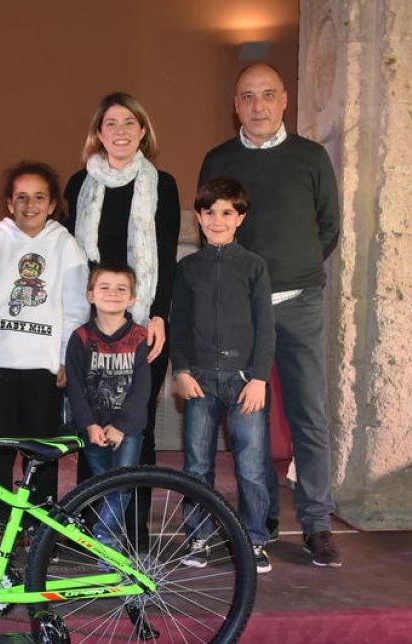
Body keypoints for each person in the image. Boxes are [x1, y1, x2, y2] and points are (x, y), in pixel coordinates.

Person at [198, 63, 342, 568]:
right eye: (246, 97)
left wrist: (291, 271)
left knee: (310, 417)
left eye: (266, 95)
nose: (257, 105)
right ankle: (258, 523)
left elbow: (329, 228)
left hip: (300, 303)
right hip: (241, 312)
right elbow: (210, 226)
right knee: (248, 421)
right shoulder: (219, 158)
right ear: (235, 105)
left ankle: (318, 524)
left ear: (284, 100)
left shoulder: (311, 157)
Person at [64, 92, 180, 535]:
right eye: (111, 123)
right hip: (94, 325)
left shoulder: (161, 184)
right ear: (98, 132)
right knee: (92, 428)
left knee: (136, 427)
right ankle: (89, 530)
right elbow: (76, 259)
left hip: (142, 320)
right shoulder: (79, 185)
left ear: (143, 131)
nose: (121, 131)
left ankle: (134, 532)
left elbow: (166, 256)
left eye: (130, 123)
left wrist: (159, 316)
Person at [0, 162, 89, 533]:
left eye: (39, 197)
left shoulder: (66, 246)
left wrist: (68, 357)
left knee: (42, 458)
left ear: (52, 204)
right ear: (8, 203)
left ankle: (40, 529)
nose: (30, 205)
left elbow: (76, 309)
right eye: (21, 197)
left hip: (43, 371)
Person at [170, 177, 275, 573]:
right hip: (198, 380)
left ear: (240, 218)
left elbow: (266, 327)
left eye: (226, 212)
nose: (217, 219)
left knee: (250, 463)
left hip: (245, 380)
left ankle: (254, 537)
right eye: (209, 212)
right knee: (197, 464)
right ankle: (198, 535)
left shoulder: (254, 267)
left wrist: (260, 377)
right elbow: (178, 324)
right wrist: (179, 370)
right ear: (198, 216)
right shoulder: (187, 268)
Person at [65, 262, 151, 554]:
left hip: (127, 431)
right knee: (103, 486)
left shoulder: (139, 337)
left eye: (121, 289)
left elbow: (142, 389)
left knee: (122, 486)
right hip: (93, 428)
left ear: (132, 299)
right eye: (104, 287)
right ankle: (109, 547)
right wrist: (88, 424)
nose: (112, 293)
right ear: (90, 295)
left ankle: (105, 540)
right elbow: (74, 387)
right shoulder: (80, 338)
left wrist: (123, 426)